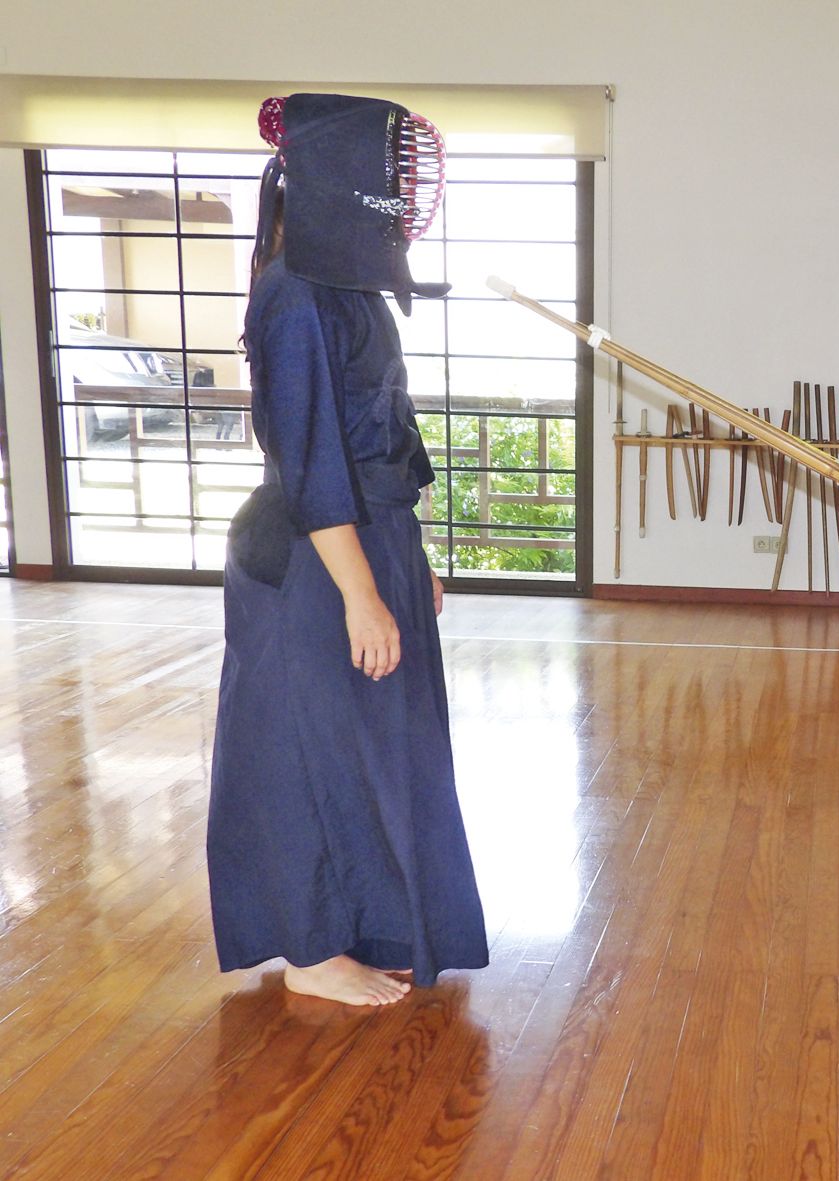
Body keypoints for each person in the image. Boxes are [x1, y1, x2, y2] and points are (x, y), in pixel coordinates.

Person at [207, 94, 487, 1006]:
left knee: (378, 747)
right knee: (307, 750)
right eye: (389, 178)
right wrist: (363, 591)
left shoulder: (343, 287)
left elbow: (380, 432)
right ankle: (311, 944)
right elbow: (309, 455)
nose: (402, 196)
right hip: (311, 561)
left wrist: (406, 556)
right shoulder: (294, 294)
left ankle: (368, 919)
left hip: (369, 540)